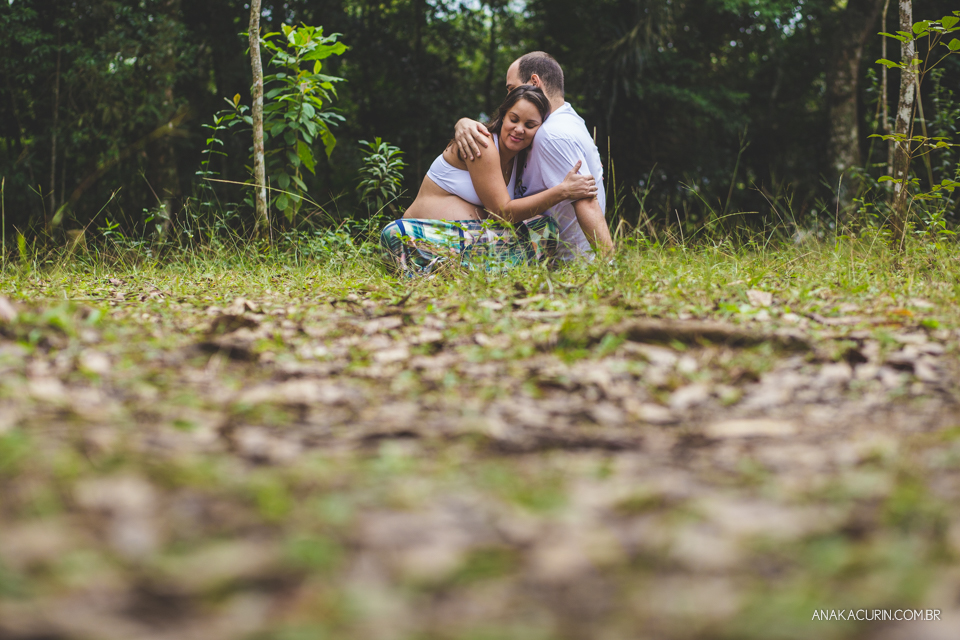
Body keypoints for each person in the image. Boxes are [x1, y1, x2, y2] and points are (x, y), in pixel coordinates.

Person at [380, 85, 597, 274]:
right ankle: (473, 268)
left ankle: (468, 269)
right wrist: (563, 191)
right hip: (421, 236)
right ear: (503, 117)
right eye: (513, 119)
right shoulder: (481, 143)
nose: (519, 129)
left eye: (530, 125)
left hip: (477, 241)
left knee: (545, 227)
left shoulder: (523, 159)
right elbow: (503, 213)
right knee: (393, 233)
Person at [455, 52, 614, 260]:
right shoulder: (567, 121)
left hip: (566, 263)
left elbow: (584, 197)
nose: (508, 98)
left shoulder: (552, 134)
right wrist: (463, 122)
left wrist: (609, 262)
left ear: (534, 83)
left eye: (512, 89)